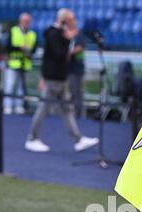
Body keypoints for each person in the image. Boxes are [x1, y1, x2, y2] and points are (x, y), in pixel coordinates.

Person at [25, 9, 98, 153]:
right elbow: (59, 55)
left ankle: (78, 139)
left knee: (67, 109)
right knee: (43, 108)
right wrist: (68, 39)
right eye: (71, 19)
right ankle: (32, 138)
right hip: (53, 79)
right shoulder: (54, 34)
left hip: (61, 78)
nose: (74, 22)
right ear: (64, 21)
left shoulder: (59, 34)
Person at [4, 13, 37, 115]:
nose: (26, 23)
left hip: (25, 64)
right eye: (24, 20)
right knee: (10, 86)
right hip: (13, 64)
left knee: (21, 88)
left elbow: (34, 49)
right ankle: (8, 106)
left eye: (28, 21)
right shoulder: (13, 31)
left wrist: (28, 51)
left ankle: (19, 106)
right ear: (20, 21)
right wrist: (19, 47)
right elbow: (7, 47)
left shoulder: (32, 34)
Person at [68, 18, 85, 118]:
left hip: (77, 69)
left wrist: (69, 53)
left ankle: (77, 113)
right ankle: (69, 112)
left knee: (77, 92)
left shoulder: (79, 35)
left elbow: (80, 48)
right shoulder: (66, 34)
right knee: (70, 91)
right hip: (68, 68)